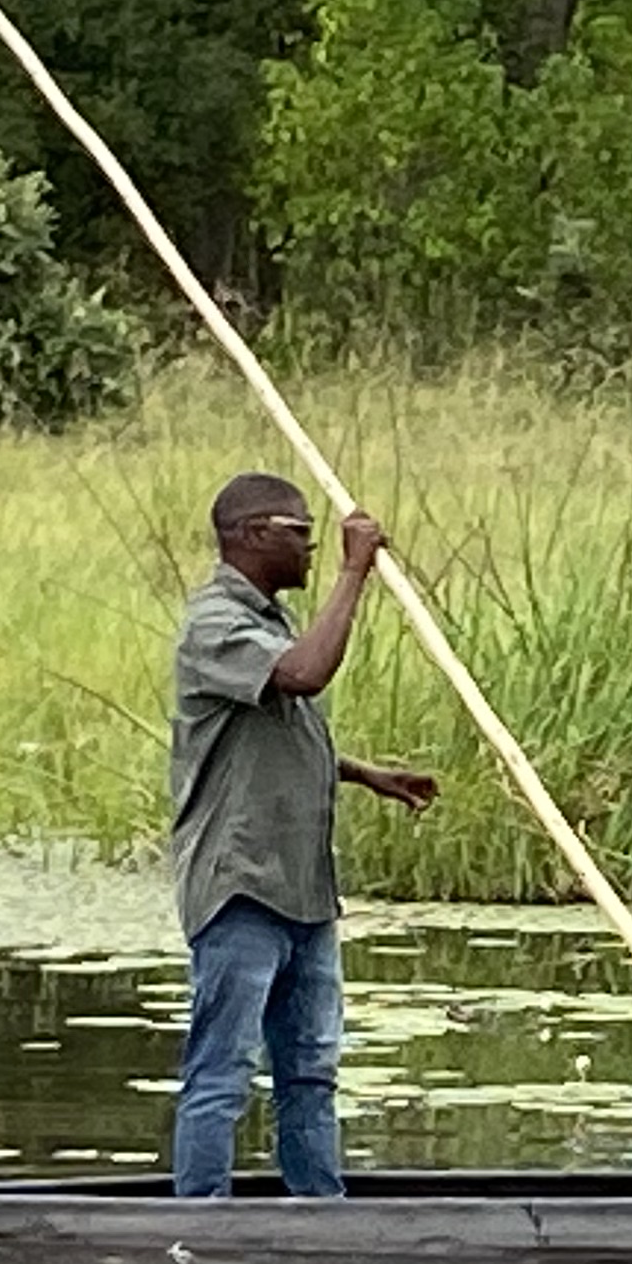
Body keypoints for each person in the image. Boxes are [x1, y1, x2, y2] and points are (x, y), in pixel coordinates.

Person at [169, 472, 437, 1199]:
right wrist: (355, 570)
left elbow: (279, 733)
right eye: (301, 532)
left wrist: (365, 774)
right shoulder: (216, 625)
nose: (315, 546)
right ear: (255, 535)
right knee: (223, 1069)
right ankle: (199, 1223)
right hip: (242, 886)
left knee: (311, 1073)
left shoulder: (270, 620)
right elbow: (306, 675)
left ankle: (320, 1214)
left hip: (304, 891)